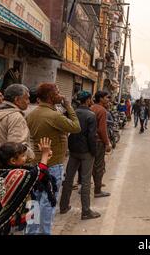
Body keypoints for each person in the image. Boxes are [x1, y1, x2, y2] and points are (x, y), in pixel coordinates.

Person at [25, 83, 81, 235]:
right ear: (51, 97)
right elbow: (76, 126)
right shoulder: (54, 116)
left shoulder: (32, 114)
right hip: (52, 165)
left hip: (36, 164)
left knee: (34, 201)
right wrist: (68, 106)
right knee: (48, 202)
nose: (61, 95)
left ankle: (31, 231)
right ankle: (45, 232)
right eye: (57, 92)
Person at [0, 139, 54, 235]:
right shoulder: (16, 175)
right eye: (23, 156)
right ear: (13, 160)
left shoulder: (3, 171)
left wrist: (45, 158)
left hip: (15, 216)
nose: (26, 157)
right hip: (10, 220)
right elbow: (38, 174)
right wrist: (44, 155)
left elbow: (36, 173)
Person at [60, 91, 101, 220]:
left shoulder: (72, 112)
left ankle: (63, 206)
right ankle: (86, 211)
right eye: (91, 99)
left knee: (69, 179)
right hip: (86, 151)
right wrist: (93, 152)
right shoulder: (90, 115)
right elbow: (91, 136)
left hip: (73, 149)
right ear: (88, 100)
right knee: (85, 181)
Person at [0, 84, 35, 162]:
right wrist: (31, 155)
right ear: (17, 100)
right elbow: (17, 147)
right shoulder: (16, 117)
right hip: (8, 165)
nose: (28, 102)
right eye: (26, 98)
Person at [91, 91, 111, 198]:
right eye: (106, 97)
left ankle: (94, 184)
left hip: (90, 140)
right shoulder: (102, 110)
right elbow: (102, 129)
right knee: (99, 165)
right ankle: (97, 190)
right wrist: (107, 143)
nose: (108, 99)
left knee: (91, 164)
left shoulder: (91, 107)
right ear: (101, 99)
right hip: (98, 141)